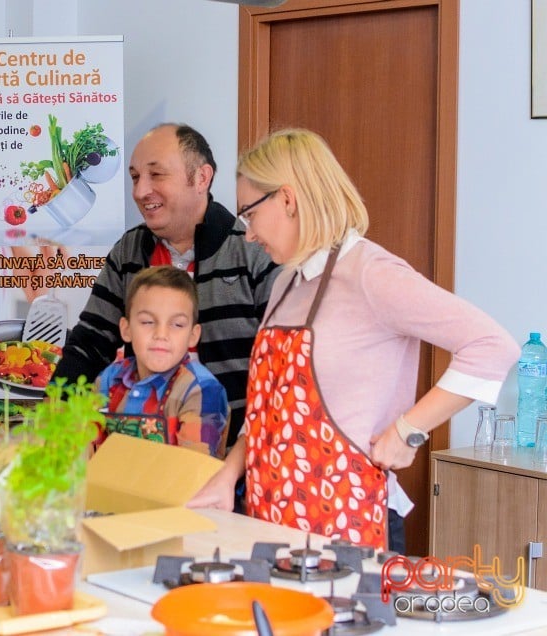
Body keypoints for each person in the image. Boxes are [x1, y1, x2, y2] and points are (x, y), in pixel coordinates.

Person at [188, 128, 519, 551]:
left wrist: (409, 430)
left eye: (249, 215)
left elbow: (492, 345)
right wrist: (228, 474)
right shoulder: (287, 281)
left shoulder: (371, 272)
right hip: (273, 521)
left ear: (287, 199)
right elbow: (268, 409)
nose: (248, 234)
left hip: (350, 523)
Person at [53, 123, 278, 450]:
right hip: (138, 458)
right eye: (134, 177)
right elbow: (90, 344)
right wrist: (56, 419)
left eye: (156, 175)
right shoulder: (128, 251)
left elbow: (280, 373)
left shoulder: (254, 250)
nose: (140, 191)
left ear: (201, 178)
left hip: (234, 464)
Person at [94, 266, 229, 457]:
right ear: (126, 329)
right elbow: (86, 450)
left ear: (193, 335)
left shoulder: (201, 389)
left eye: (177, 324)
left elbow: (194, 470)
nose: (161, 334)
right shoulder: (108, 379)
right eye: (148, 322)